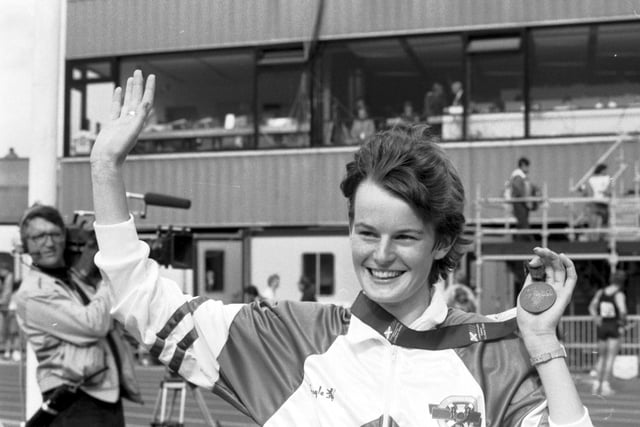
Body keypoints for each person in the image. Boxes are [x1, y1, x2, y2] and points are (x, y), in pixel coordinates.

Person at [89, 70, 592, 426]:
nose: (381, 255)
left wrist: (543, 344)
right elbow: (144, 305)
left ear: (441, 242)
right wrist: (106, 170)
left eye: (406, 237)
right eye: (367, 233)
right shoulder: (289, 339)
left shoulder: (493, 358)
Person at [13, 204, 142, 426]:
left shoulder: (72, 280)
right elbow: (93, 324)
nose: (49, 243)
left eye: (54, 234)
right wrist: (109, 274)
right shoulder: (32, 293)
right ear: (26, 244)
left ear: (64, 237)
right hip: (74, 400)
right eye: (38, 237)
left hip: (103, 393)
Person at [588, 270, 628, 396]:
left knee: (601, 356)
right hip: (613, 325)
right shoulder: (619, 294)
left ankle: (596, 385)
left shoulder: (601, 292)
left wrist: (596, 318)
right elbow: (622, 311)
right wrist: (622, 324)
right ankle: (605, 385)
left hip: (602, 325)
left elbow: (592, 307)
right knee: (610, 357)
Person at [581, 163, 611, 240]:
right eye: (605, 170)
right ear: (601, 170)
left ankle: (599, 238)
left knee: (603, 222)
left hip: (600, 202)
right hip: (597, 202)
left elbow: (585, 190)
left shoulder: (591, 179)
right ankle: (595, 239)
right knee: (596, 222)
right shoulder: (605, 179)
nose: (606, 171)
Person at [0, 262, 21, 361]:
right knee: (8, 331)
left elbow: (6, 295)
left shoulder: (9, 278)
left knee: (13, 331)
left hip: (11, 308)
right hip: (7, 308)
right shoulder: (6, 279)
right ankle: (9, 351)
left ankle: (14, 350)